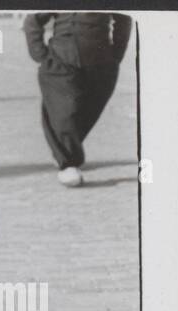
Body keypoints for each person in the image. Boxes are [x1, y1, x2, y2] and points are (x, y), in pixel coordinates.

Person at [23, 13, 132, 187]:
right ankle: (68, 164)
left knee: (88, 111)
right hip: (61, 60)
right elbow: (33, 20)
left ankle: (64, 150)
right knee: (63, 112)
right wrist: (40, 54)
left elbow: (124, 18)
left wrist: (116, 54)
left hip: (101, 61)